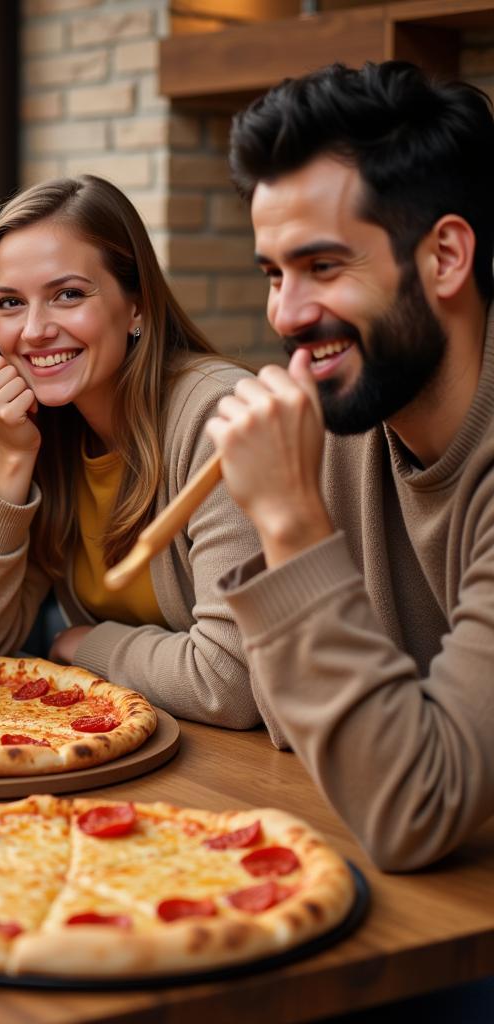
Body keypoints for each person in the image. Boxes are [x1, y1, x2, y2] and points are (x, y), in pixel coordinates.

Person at [205, 61, 494, 870]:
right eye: (273, 273)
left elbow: (414, 808)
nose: (286, 315)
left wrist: (291, 522)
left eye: (323, 267)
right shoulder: (346, 414)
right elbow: (284, 717)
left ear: (444, 257)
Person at [0, 175, 263, 727]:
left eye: (68, 295)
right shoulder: (52, 433)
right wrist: (10, 459)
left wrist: (86, 644)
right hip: (134, 738)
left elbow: (231, 681)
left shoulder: (216, 419)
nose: (34, 330)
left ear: (136, 306)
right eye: (10, 303)